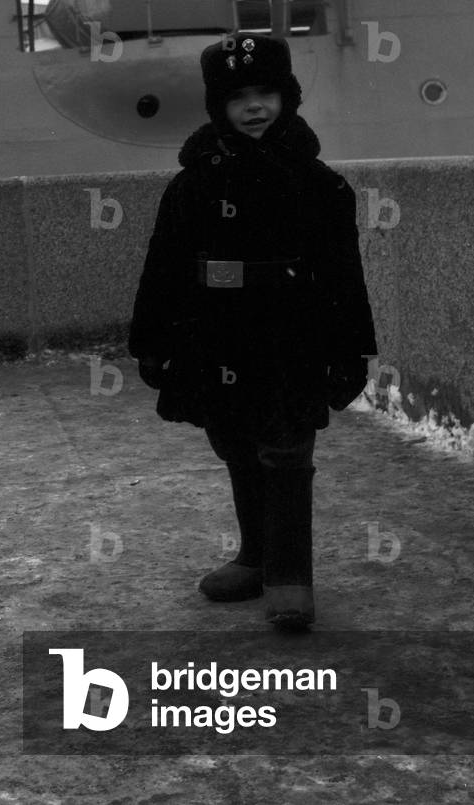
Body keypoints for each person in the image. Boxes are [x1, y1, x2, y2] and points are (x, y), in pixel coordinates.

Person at [128, 32, 377, 631]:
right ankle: (255, 558)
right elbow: (164, 265)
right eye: (238, 97)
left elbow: (344, 275)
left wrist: (351, 351)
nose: (255, 107)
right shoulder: (193, 185)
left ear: (287, 97)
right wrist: (153, 340)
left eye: (266, 92)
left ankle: (291, 579)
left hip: (292, 339)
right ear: (219, 106)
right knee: (235, 442)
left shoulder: (320, 185)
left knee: (286, 450)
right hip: (217, 336)